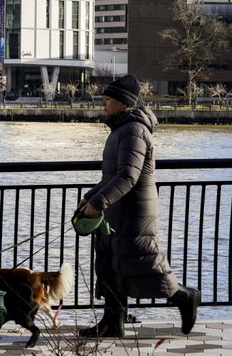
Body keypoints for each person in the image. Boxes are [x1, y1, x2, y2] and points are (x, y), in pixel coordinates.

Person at [76, 74, 200, 338]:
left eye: (107, 100)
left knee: (145, 266)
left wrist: (99, 202)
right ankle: (112, 323)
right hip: (115, 212)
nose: (103, 104)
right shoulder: (120, 129)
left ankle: (185, 297)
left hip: (134, 213)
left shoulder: (134, 130)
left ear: (122, 103)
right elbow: (110, 176)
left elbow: (128, 176)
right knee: (110, 267)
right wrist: (91, 196)